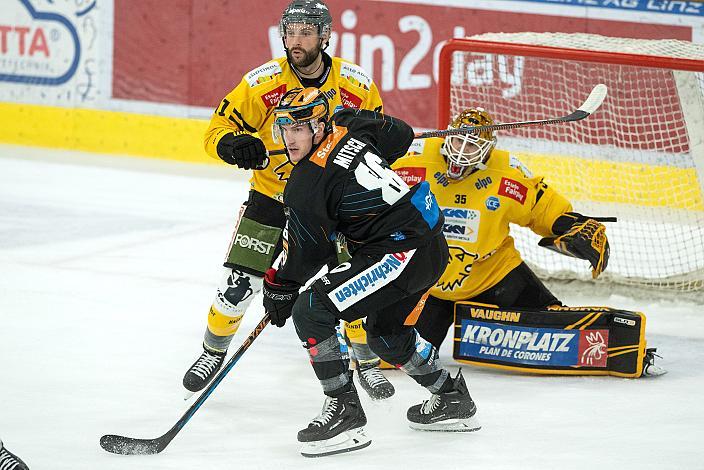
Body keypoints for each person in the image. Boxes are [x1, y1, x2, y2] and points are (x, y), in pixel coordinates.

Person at [183, 0, 394, 400]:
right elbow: (216, 130)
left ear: (325, 36)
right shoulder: (263, 84)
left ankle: (364, 361)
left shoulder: (356, 85)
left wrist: (377, 140)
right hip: (272, 197)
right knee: (239, 285)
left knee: (354, 281)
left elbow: (378, 138)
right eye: (291, 32)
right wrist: (234, 145)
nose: (296, 42)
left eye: (306, 33)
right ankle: (212, 351)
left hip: (333, 204)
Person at [262, 87, 480, 457]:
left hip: (400, 252)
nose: (289, 138)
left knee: (311, 310)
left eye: (299, 129)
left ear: (318, 126)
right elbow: (402, 135)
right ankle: (452, 397)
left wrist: (280, 287)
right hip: (428, 245)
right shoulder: (350, 129)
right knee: (388, 337)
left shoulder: (306, 182)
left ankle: (346, 413)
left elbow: (308, 253)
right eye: (284, 128)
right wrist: (364, 120)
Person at [391, 108, 662, 376]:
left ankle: (622, 349)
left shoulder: (507, 173)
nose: (462, 151)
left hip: (493, 274)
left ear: (487, 151)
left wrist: (570, 224)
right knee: (392, 351)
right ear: (447, 137)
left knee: (556, 323)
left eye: (472, 146)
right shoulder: (412, 161)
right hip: (426, 283)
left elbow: (540, 207)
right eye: (459, 141)